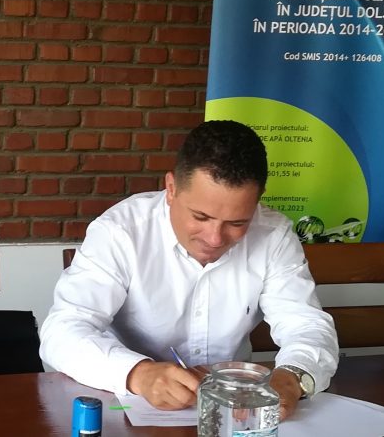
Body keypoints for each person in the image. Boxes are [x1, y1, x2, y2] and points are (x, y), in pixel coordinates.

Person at [39, 120, 338, 420]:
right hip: (126, 407)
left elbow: (306, 325)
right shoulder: (121, 232)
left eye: (237, 223)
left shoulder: (273, 235)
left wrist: (291, 377)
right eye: (200, 217)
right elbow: (62, 331)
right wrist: (138, 374)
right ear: (171, 189)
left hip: (236, 411)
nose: (215, 238)